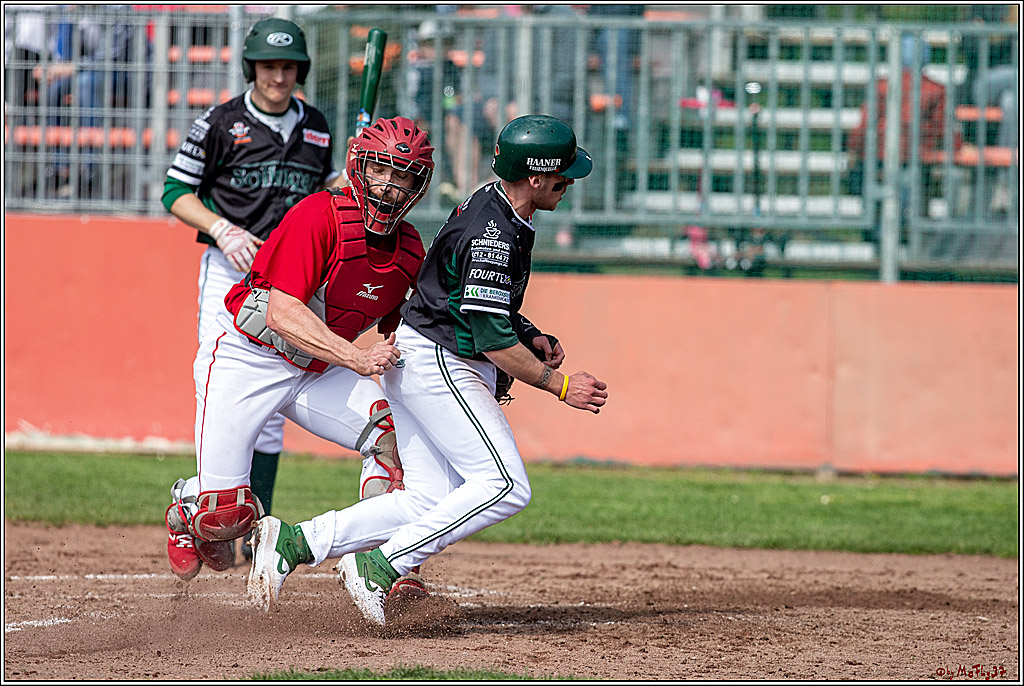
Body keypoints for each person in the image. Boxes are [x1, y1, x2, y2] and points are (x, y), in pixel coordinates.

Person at [247, 115, 609, 627]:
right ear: (535, 178)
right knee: (505, 486)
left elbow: (473, 300)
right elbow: (488, 336)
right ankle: (384, 564)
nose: (568, 183)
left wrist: (528, 333)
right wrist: (559, 385)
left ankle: (296, 543)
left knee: (426, 499)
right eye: (561, 175)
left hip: (423, 353)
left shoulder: (496, 205)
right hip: (442, 362)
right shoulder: (494, 232)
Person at [164, 116, 436, 595]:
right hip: (248, 359)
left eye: (404, 176)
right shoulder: (318, 215)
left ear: (419, 185)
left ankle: (387, 563)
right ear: (359, 166)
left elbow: (407, 333)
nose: (390, 187)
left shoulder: (410, 249)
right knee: (225, 518)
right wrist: (355, 358)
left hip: (317, 370)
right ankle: (186, 507)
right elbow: (283, 313)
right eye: (382, 171)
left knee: (397, 447)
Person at [161, 17, 339, 573]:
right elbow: (174, 190)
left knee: (274, 406)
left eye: (288, 67)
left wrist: (340, 184)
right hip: (230, 268)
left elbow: (321, 195)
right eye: (269, 67)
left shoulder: (316, 125)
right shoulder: (219, 122)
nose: (278, 77)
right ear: (252, 69)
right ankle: (198, 508)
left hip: (289, 277)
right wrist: (222, 228)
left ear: (299, 71)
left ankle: (248, 525)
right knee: (217, 391)